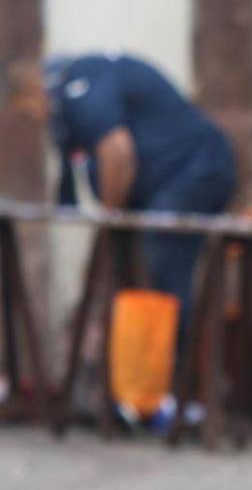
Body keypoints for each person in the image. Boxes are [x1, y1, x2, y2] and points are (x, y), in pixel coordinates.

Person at [6, 53, 237, 334]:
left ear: (32, 92)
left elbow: (116, 151)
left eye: (27, 112)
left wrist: (109, 219)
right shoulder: (70, 99)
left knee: (162, 266)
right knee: (128, 266)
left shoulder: (80, 87)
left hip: (192, 170)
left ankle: (172, 366)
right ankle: (138, 360)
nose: (34, 120)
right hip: (167, 180)